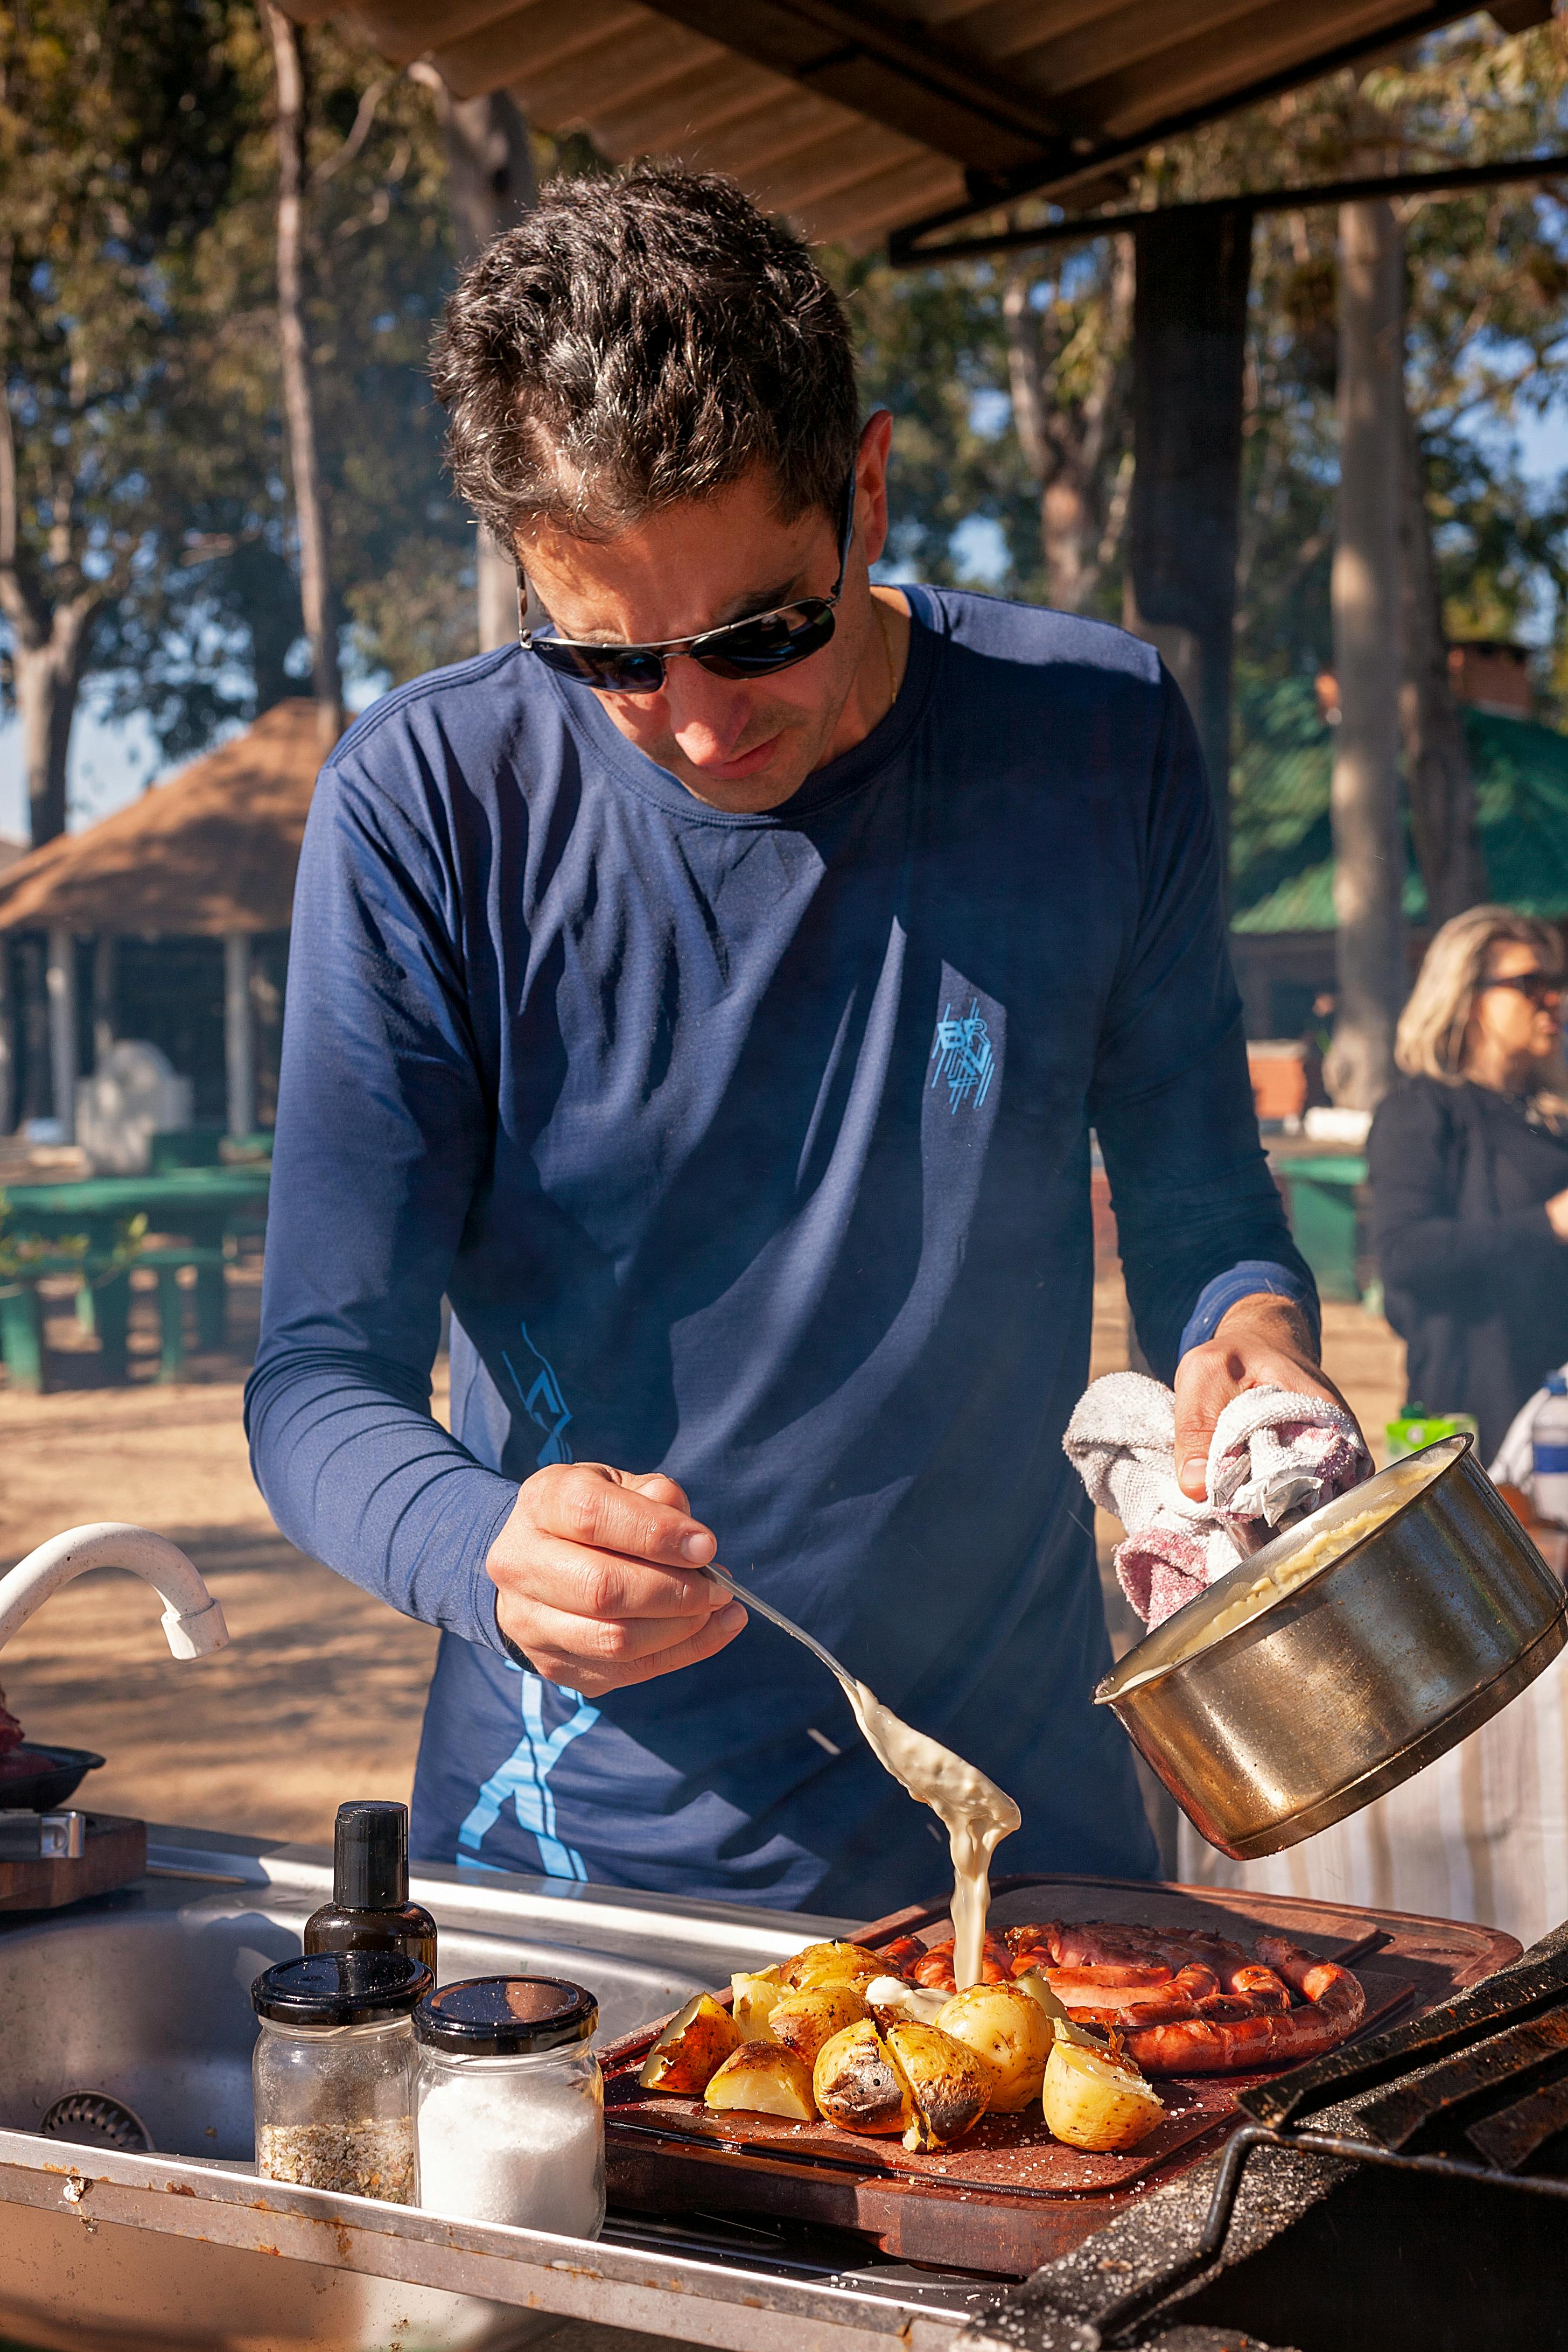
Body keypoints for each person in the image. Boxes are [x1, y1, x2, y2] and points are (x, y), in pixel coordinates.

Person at [246, 166, 1339, 1916]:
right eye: (609, 657)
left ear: (873, 489)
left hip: (1030, 1822)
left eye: (761, 630)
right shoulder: (429, 804)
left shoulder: (1093, 740)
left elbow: (1205, 1199)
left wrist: (1254, 1338)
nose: (692, 723)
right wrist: (480, 1544)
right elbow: (315, 1378)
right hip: (588, 1855)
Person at [1369, 907, 1568, 1462]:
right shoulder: (1421, 1112)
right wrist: (1547, 1224)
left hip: (1556, 1418)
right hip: (1470, 1429)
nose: (1552, 1000)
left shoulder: (1551, 1120)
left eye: (1556, 984)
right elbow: (1404, 1255)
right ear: (1464, 997)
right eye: (1529, 984)